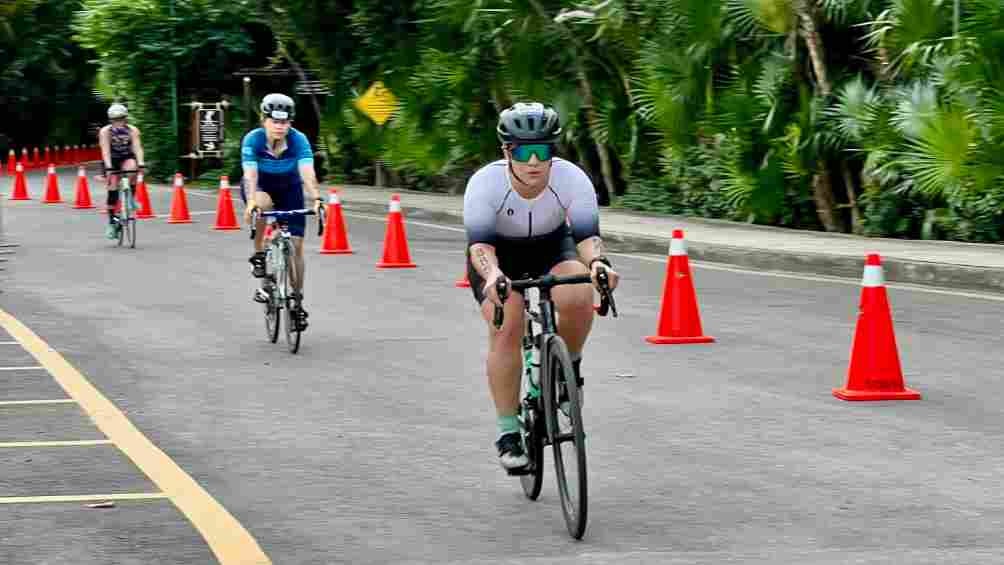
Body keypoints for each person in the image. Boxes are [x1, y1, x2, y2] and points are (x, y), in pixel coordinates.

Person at [462, 102, 621, 471]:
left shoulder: (572, 179)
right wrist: (493, 276)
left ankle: (570, 373)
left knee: (579, 292)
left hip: (553, 245)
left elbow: (586, 238)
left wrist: (599, 264)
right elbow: (481, 248)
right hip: (500, 257)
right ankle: (507, 431)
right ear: (506, 151)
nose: (534, 161)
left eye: (543, 150)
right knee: (508, 325)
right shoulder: (484, 184)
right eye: (522, 150)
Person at [241, 93, 323, 331]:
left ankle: (297, 302)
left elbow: (307, 172)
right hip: (262, 187)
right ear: (264, 120)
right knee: (262, 205)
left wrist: (317, 198)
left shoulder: (299, 141)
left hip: (289, 188)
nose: (280, 126)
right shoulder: (253, 140)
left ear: (290, 123)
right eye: (275, 121)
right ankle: (259, 253)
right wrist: (251, 202)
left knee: (296, 245)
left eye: (285, 122)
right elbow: (250, 175)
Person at [98, 103, 145, 239]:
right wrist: (108, 167)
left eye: (121, 118)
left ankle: (130, 199)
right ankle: (112, 222)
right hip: (111, 159)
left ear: (126, 118)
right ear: (110, 120)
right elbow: (105, 150)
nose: (118, 121)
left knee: (132, 169)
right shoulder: (105, 131)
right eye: (115, 119)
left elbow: (137, 147)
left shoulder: (132, 130)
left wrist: (141, 163)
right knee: (112, 185)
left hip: (126, 157)